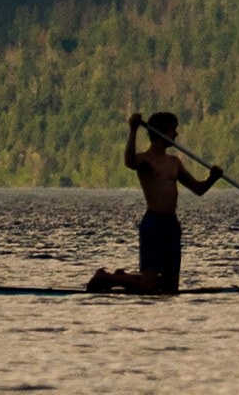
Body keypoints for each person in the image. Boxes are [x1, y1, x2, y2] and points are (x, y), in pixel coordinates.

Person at [89, 108, 216, 295]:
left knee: (170, 288)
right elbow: (129, 161)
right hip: (153, 223)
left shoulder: (174, 162)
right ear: (161, 132)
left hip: (171, 224)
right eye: (173, 129)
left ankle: (121, 276)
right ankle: (106, 278)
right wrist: (133, 129)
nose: (176, 133)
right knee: (148, 286)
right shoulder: (145, 160)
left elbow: (198, 189)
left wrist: (213, 178)